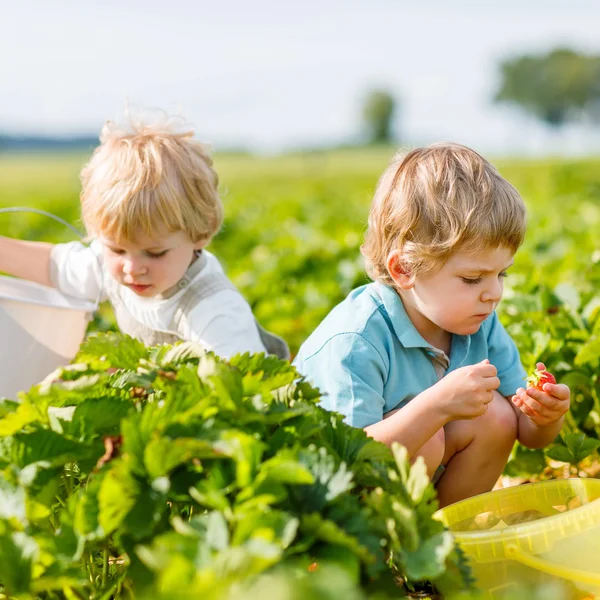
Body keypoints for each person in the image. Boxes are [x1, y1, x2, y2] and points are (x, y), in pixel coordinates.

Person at [293, 143, 570, 507]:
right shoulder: (355, 339)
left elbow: (525, 432)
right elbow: (346, 459)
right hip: (327, 504)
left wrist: (544, 417)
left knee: (497, 418)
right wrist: (436, 406)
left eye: (501, 273)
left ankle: (445, 540)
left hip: (407, 487)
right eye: (473, 279)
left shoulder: (479, 324)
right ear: (404, 270)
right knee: (426, 437)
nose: (494, 293)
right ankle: (380, 557)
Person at [0, 108, 288, 361]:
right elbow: (56, 267)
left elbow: (244, 393)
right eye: (116, 249)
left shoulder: (213, 310)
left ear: (201, 232)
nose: (132, 268)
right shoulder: (111, 263)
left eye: (155, 253)